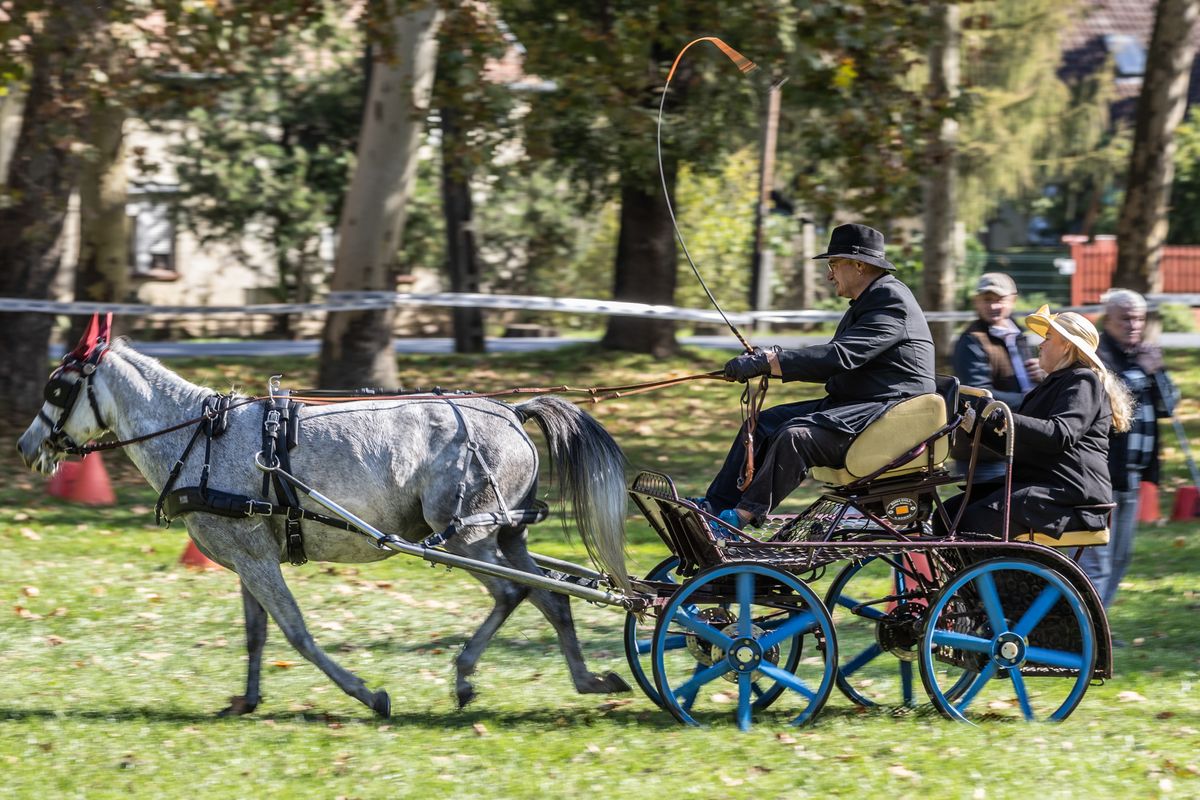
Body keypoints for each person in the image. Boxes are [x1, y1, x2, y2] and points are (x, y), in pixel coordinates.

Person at [703, 223, 936, 529]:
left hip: (891, 415)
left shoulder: (890, 301)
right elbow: (837, 360)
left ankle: (741, 518)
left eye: (833, 265)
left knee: (795, 438)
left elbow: (841, 356)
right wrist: (767, 362)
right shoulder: (871, 300)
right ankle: (713, 509)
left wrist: (769, 361)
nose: (829, 275)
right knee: (761, 424)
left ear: (859, 265)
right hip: (862, 405)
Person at [940, 306, 1133, 539]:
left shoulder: (1082, 380)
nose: (1040, 345)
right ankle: (970, 576)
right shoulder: (1052, 385)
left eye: (1048, 338)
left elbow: (1059, 434)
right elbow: (1015, 444)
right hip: (1044, 488)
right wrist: (973, 424)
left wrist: (1004, 417)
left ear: (1067, 346)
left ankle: (1001, 576)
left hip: (1068, 494)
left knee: (977, 517)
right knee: (947, 513)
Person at [1079, 290, 1178, 610]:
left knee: (1121, 557)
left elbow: (1170, 404)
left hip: (1133, 475)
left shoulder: (1144, 356)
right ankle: (1084, 629)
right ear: (1109, 319)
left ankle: (1100, 624)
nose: (1134, 325)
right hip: (1103, 474)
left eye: (1139, 318)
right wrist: (1143, 371)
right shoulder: (1100, 353)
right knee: (1097, 561)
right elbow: (1111, 394)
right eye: (1126, 318)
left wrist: (1157, 370)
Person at [951, 272, 1045, 480]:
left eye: (999, 300)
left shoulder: (1018, 334)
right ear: (976, 302)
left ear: (1013, 300)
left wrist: (1043, 377)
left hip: (1016, 444)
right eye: (987, 300)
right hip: (984, 452)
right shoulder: (971, 341)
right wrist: (1033, 400)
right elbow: (978, 394)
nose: (993, 306)